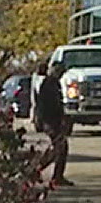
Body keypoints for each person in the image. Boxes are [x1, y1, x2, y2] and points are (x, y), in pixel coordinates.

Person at [33, 59, 71, 188]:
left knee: (60, 148)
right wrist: (46, 122)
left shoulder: (55, 83)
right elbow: (46, 106)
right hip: (49, 122)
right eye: (59, 71)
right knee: (60, 147)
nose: (60, 74)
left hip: (54, 121)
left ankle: (56, 176)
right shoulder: (48, 84)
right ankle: (38, 170)